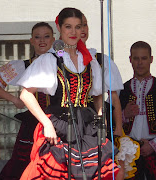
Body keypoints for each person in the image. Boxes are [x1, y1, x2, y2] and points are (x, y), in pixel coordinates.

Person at [18, 7, 120, 180]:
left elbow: (97, 94)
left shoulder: (89, 60)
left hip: (87, 125)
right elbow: (25, 95)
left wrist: (101, 114)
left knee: (103, 171)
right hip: (60, 123)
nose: (73, 32)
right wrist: (47, 124)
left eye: (78, 27)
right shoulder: (50, 59)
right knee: (57, 172)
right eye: (68, 27)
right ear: (59, 28)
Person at [0, 22, 55, 179]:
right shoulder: (22, 66)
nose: (42, 41)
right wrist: (14, 99)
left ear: (53, 39)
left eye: (46, 37)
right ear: (31, 41)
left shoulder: (61, 64)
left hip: (56, 121)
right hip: (33, 123)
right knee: (25, 162)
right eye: (37, 37)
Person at [81, 14, 140, 179]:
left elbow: (113, 98)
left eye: (84, 25)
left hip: (98, 122)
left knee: (113, 167)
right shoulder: (62, 60)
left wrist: (119, 129)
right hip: (73, 122)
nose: (82, 30)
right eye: (77, 26)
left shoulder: (100, 60)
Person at [119, 41, 156, 180]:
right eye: (136, 58)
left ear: (151, 59)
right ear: (130, 60)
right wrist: (124, 115)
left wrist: (153, 145)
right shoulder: (121, 90)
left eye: (144, 58)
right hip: (129, 154)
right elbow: (109, 121)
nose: (140, 62)